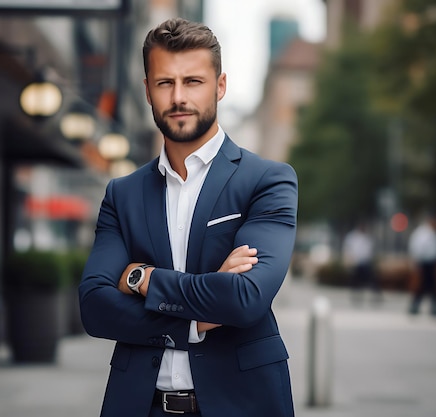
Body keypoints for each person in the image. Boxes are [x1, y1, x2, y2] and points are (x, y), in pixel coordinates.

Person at [79, 18, 298, 417]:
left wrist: (140, 279)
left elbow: (245, 298)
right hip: (141, 406)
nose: (179, 97)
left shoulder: (267, 181)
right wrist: (194, 322)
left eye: (193, 81)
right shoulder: (122, 193)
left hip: (242, 404)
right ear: (147, 91)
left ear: (220, 86)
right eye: (165, 83)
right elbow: (94, 307)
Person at [408, 212, 436, 316]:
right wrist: (417, 262)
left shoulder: (433, 232)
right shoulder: (422, 233)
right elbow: (417, 248)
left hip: (432, 263)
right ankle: (416, 306)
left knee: (432, 286)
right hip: (425, 263)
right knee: (424, 285)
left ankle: (433, 306)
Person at [342, 222, 380, 304]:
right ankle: (356, 298)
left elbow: (369, 251)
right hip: (356, 263)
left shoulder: (366, 237)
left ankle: (375, 296)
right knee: (356, 282)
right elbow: (348, 250)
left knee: (370, 281)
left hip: (365, 263)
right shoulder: (352, 237)